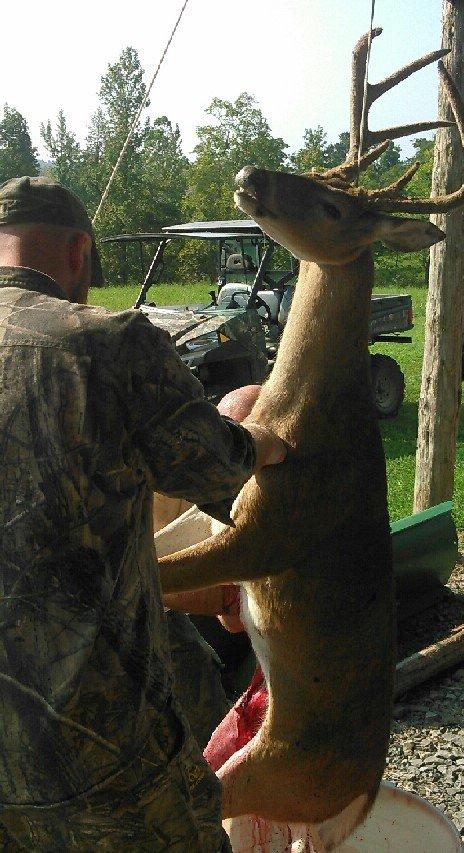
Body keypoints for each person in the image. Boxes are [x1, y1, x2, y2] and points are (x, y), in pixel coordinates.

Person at [0, 176, 285, 851]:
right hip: (99, 761)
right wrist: (262, 440)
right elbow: (224, 471)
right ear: (78, 251)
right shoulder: (107, 343)